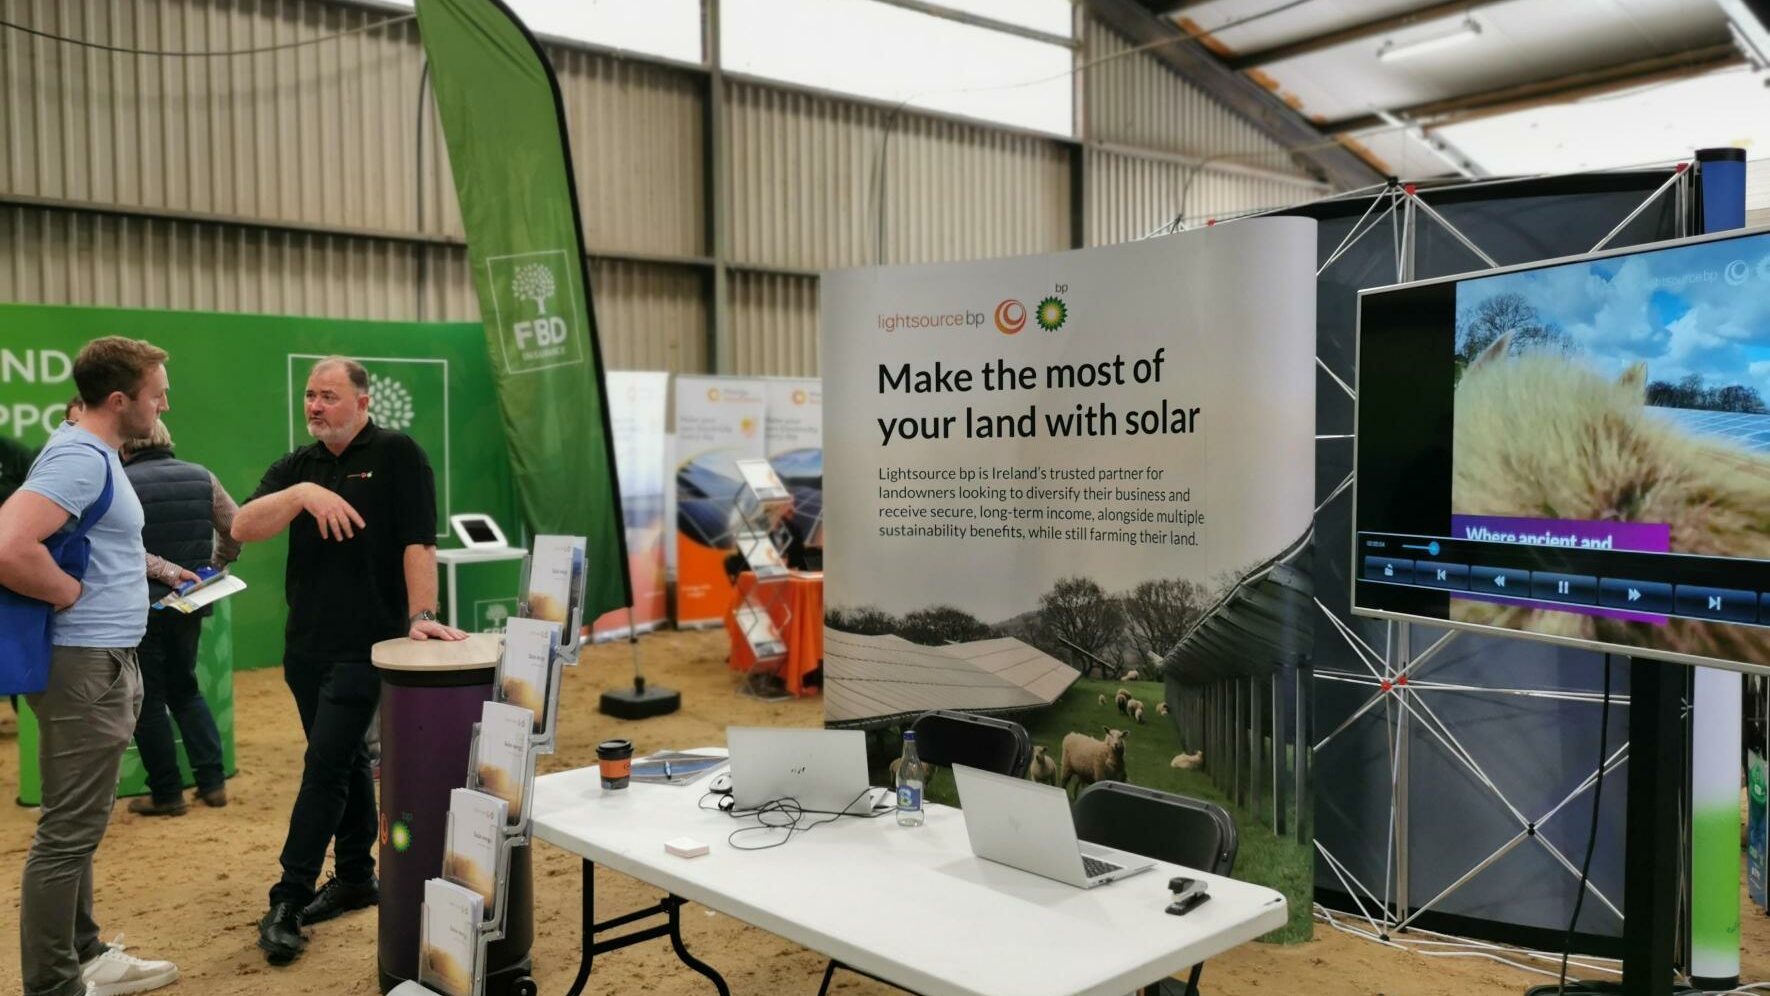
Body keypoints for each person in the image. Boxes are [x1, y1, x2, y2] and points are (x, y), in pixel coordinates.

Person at [231, 355, 466, 966]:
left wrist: (421, 615)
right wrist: (302, 494)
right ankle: (359, 876)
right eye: (310, 395)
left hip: (367, 647)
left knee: (326, 765)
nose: (315, 406)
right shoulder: (298, 467)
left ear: (362, 402)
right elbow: (243, 526)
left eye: (328, 396)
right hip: (304, 646)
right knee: (346, 760)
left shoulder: (397, 454)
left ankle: (289, 896)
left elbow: (419, 541)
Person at [0, 336, 181, 996]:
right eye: (157, 394)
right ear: (120, 399)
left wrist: (153, 572)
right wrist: (67, 593)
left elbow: (101, 544)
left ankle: (85, 954)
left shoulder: (91, 452)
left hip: (100, 659)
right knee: (67, 835)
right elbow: (8, 545)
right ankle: (55, 983)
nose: (164, 405)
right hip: (84, 662)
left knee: (75, 827)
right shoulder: (80, 457)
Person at [120, 419, 241, 816]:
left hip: (140, 604)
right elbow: (236, 526)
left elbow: (120, 548)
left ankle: (167, 793)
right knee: (185, 688)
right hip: (189, 601)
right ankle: (213, 782)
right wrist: (215, 565)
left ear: (125, 445)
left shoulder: (121, 483)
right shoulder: (202, 477)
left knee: (149, 700)